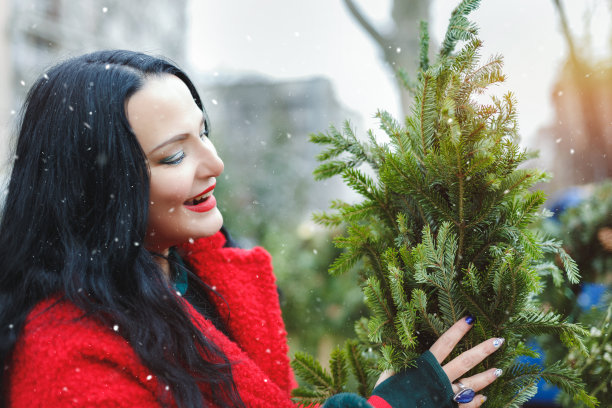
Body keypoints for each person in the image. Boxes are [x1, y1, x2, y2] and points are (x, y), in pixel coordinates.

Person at [0, 50, 502, 407]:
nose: (214, 163)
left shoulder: (198, 275)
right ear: (95, 184)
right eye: (174, 154)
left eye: (204, 133)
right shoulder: (66, 358)